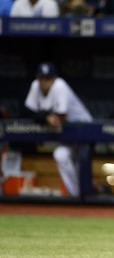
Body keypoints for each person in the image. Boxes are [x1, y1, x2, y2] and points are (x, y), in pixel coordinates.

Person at [24, 62, 93, 197]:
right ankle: (75, 195)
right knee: (61, 155)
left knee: (79, 163)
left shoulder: (60, 85)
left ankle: (84, 196)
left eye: (48, 78)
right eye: (42, 78)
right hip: (67, 134)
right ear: (38, 78)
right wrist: (46, 117)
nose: (45, 82)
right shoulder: (35, 86)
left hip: (82, 128)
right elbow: (29, 111)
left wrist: (47, 117)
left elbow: (60, 116)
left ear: (54, 78)